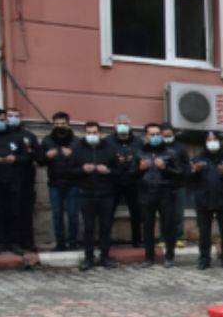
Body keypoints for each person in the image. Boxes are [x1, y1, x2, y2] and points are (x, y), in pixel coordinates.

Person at [190, 132, 223, 270]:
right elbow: (186, 179)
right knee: (204, 233)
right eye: (209, 139)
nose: (212, 142)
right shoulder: (198, 158)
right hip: (203, 202)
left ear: (219, 141)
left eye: (215, 139)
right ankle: (204, 259)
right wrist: (194, 171)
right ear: (205, 142)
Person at [71, 121, 118, 270]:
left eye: (94, 133)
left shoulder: (109, 148)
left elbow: (119, 171)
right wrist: (82, 169)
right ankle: (88, 258)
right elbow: (70, 171)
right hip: (86, 194)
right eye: (89, 133)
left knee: (105, 227)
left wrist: (108, 171)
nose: (92, 135)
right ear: (85, 133)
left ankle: (105, 257)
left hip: (106, 194)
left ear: (100, 133)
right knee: (88, 228)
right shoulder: (78, 148)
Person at [135, 123, 183, 267]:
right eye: (152, 134)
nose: (155, 137)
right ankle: (149, 258)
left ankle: (169, 257)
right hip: (146, 193)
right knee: (148, 227)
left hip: (166, 194)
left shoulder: (171, 153)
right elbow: (130, 174)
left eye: (157, 134)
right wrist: (140, 169)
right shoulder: (140, 153)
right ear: (146, 136)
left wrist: (165, 167)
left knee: (168, 226)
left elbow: (179, 173)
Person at [41, 115, 81, 251]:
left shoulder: (76, 141)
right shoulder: (47, 140)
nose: (59, 126)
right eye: (57, 123)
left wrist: (72, 154)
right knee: (57, 215)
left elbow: (82, 160)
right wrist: (46, 156)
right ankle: (60, 243)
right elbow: (40, 160)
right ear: (53, 125)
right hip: (55, 184)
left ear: (68, 124)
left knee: (73, 214)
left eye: (62, 123)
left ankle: (73, 242)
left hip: (73, 184)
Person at [107, 115, 142, 248]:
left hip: (133, 181)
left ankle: (137, 240)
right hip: (114, 181)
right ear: (115, 126)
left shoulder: (138, 141)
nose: (123, 125)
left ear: (130, 125)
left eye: (125, 123)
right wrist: (117, 160)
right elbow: (104, 158)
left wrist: (132, 160)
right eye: (120, 123)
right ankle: (106, 240)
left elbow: (142, 158)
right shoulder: (108, 141)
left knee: (136, 212)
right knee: (108, 212)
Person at [0, 109, 29, 254]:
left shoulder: (16, 137)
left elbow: (26, 158)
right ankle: (1, 242)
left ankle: (15, 243)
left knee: (15, 212)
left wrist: (15, 158)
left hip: (14, 181)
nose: (1, 122)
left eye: (2, 120)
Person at [11, 108, 41, 252]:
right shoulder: (2, 135)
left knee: (26, 212)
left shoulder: (29, 136)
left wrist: (30, 151)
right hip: (6, 181)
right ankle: (8, 241)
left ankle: (27, 241)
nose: (13, 118)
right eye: (10, 116)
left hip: (26, 180)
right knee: (9, 212)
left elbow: (39, 157)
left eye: (16, 116)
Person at [161, 123, 189, 249]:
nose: (167, 138)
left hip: (179, 185)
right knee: (164, 213)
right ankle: (163, 238)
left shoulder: (181, 148)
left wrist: (179, 172)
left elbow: (186, 166)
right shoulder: (157, 147)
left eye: (170, 135)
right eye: (165, 136)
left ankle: (178, 237)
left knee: (178, 213)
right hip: (162, 185)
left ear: (173, 134)